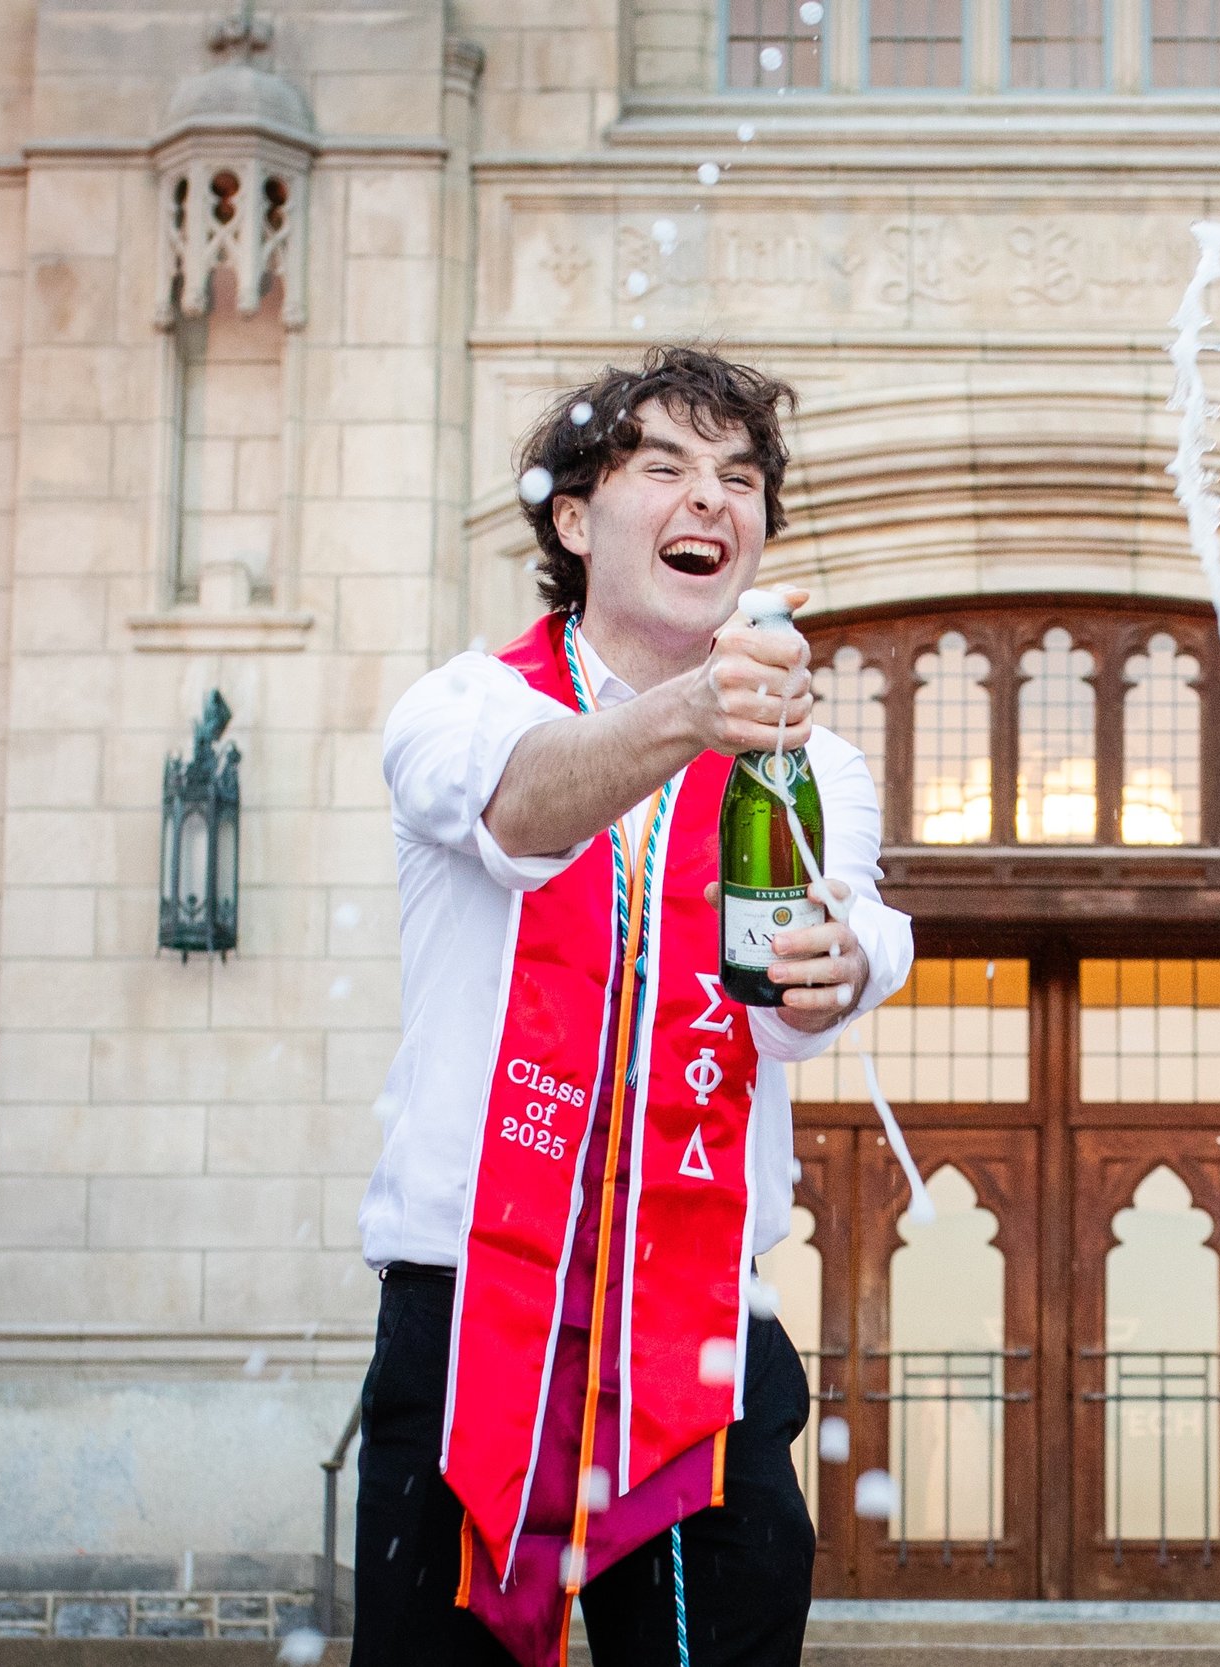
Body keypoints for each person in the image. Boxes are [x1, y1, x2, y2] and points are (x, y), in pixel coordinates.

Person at [355, 346, 912, 1667]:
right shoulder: (466, 701)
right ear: (572, 515)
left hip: (704, 1313)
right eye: (661, 466)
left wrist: (847, 963)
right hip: (476, 1302)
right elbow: (521, 809)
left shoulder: (814, 760)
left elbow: (795, 993)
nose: (707, 500)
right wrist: (693, 712)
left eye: (739, 478)